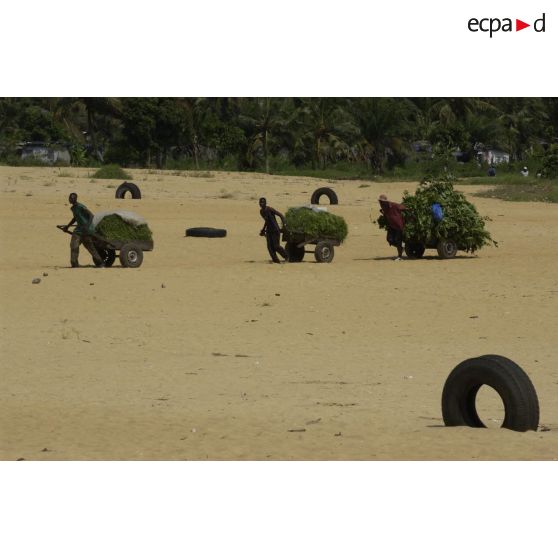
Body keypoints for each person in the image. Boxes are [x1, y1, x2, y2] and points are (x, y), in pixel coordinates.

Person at [62, 193, 104, 267]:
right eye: (69, 198)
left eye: (72, 198)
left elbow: (91, 215)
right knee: (74, 246)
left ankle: (100, 263)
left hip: (86, 231)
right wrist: (67, 226)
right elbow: (75, 218)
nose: (70, 199)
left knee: (90, 247)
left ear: (76, 199)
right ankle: (74, 264)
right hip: (78, 230)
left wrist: (87, 226)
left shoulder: (81, 206)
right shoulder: (73, 208)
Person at [259, 197, 288, 263]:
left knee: (276, 246)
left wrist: (284, 225)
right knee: (269, 247)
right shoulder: (261, 212)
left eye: (263, 202)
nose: (261, 204)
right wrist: (263, 230)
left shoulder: (269, 209)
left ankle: (286, 256)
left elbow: (280, 215)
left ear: (266, 203)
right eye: (260, 202)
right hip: (269, 231)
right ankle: (275, 260)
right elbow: (267, 221)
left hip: (275, 230)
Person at [378, 194, 407, 260]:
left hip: (398, 226)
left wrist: (408, 209)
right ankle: (401, 248)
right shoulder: (384, 208)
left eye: (382, 202)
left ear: (385, 202)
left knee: (398, 240)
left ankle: (399, 256)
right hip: (391, 226)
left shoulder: (394, 205)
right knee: (389, 239)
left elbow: (403, 207)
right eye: (380, 202)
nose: (381, 203)